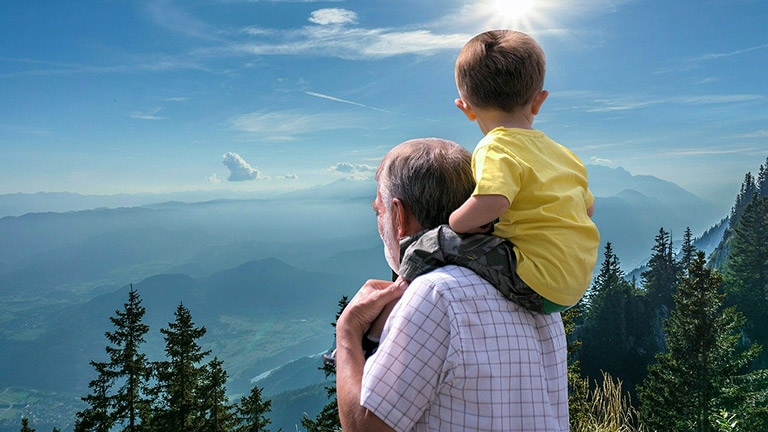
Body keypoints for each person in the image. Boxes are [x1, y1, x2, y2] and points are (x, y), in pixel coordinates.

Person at [336, 138, 569, 432]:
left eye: (378, 210)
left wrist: (347, 333)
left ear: (399, 216)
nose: (378, 222)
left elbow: (366, 428)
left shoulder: (435, 295)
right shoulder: (533, 289)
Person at [393, 30, 600, 316]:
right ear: (539, 101)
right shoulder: (564, 155)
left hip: (535, 280)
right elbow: (587, 210)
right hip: (575, 282)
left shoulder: (495, 146)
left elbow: (494, 201)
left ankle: (389, 316)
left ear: (465, 108)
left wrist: (456, 222)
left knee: (429, 244)